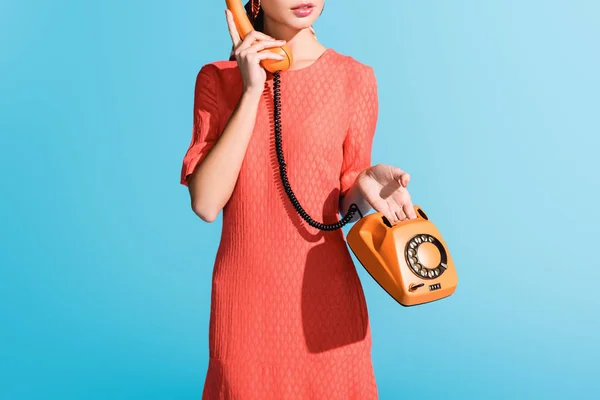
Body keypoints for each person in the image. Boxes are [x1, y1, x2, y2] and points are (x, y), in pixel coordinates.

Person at [179, 1, 417, 398]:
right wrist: (252, 90)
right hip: (247, 308)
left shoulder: (355, 79)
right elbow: (205, 203)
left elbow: (339, 209)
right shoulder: (217, 80)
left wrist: (366, 185)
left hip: (326, 304)